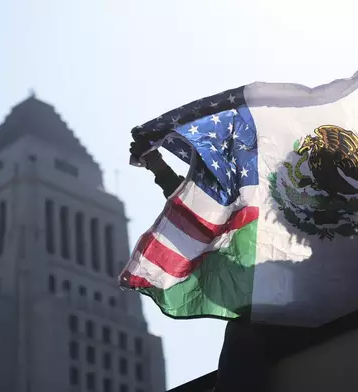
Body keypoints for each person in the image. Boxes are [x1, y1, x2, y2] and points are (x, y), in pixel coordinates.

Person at [130, 136, 313, 392]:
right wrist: (159, 168)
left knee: (243, 332)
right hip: (288, 337)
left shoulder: (342, 247)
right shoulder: (270, 253)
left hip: (323, 328)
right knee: (243, 331)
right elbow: (202, 223)